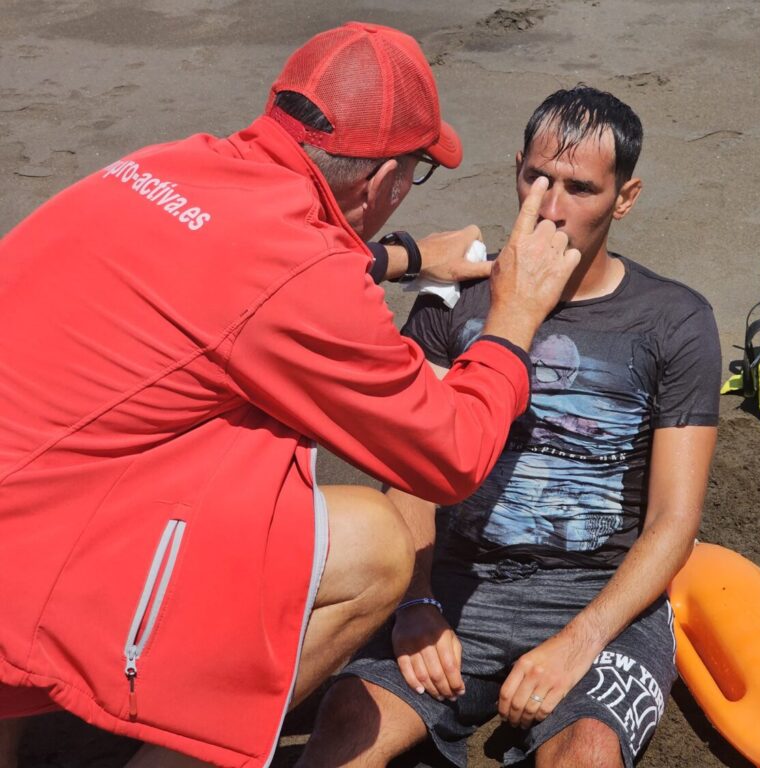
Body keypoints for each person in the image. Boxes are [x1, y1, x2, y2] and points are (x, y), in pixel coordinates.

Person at [0, 23, 581, 768]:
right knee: (375, 546)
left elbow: (233, 275)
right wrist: (514, 319)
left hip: (30, 495)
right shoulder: (303, 277)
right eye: (415, 172)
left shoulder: (165, 165)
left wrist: (397, 256)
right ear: (384, 182)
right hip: (26, 578)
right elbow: (453, 454)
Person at [299, 86, 720, 768]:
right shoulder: (455, 300)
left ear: (626, 197)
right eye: (536, 179)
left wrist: (581, 640)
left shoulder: (675, 321)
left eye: (580, 188)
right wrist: (418, 600)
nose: (550, 207)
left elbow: (674, 520)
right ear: (515, 168)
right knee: (346, 728)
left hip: (600, 598)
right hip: (458, 583)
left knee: (586, 753)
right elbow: (411, 470)